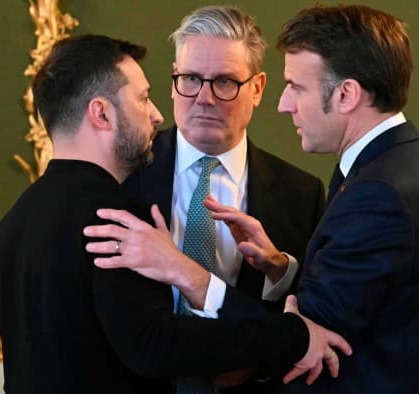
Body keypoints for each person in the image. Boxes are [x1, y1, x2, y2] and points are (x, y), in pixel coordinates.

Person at [86, 4, 419, 394]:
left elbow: (307, 337)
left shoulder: (348, 193)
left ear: (346, 94)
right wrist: (283, 273)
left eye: (224, 82)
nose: (284, 104)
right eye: (189, 78)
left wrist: (187, 275)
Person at [0, 34, 349, 394]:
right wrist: (294, 335)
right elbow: (156, 344)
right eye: (143, 98)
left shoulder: (14, 220)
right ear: (102, 113)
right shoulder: (116, 218)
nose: (157, 114)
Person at [119, 6, 325, 392]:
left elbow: (311, 315)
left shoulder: (302, 193)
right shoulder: (125, 178)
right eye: (191, 79)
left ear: (259, 88)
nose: (205, 98)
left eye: (225, 82)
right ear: (173, 80)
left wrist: (279, 272)